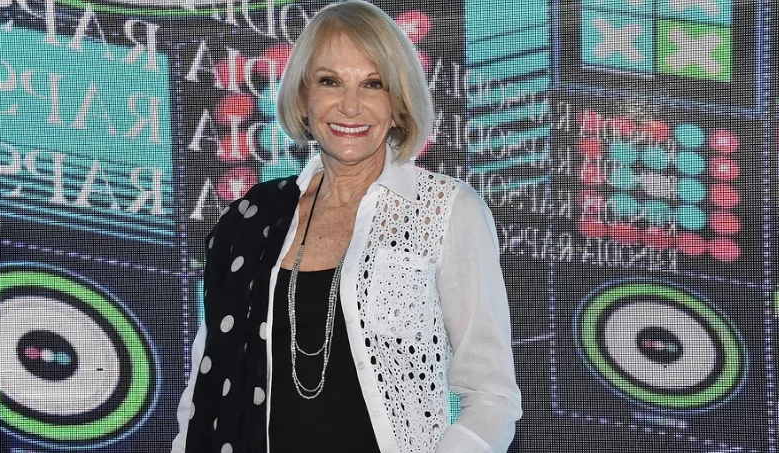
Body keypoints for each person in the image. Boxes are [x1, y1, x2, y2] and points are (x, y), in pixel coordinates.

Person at [172, 1, 521, 452]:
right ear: (303, 98)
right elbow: (203, 392)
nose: (351, 106)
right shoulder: (251, 218)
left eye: (373, 84)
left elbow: (492, 397)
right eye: (329, 81)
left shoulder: (446, 209)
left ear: (398, 104)